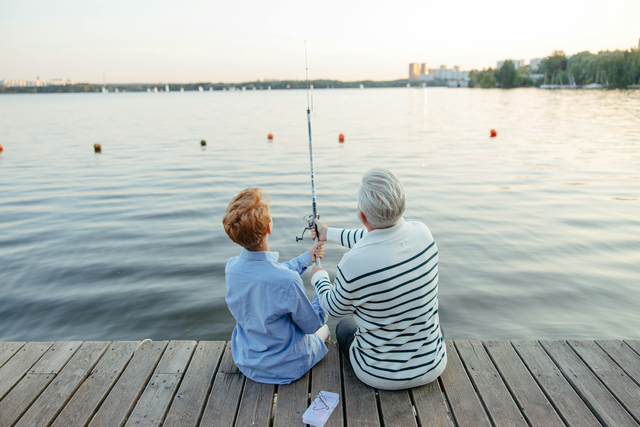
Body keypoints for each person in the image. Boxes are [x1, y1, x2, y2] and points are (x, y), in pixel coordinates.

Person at [309, 168, 446, 390]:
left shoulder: (353, 263)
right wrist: (329, 233)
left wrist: (320, 278)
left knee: (345, 326)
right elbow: (378, 236)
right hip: (433, 365)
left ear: (362, 216)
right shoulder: (423, 233)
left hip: (379, 375)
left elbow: (333, 309)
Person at [222, 187, 329, 384]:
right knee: (325, 329)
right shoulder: (287, 281)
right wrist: (321, 287)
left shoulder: (231, 268)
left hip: (247, 361)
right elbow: (312, 325)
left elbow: (269, 274)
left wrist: (306, 258)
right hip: (286, 367)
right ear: (268, 228)